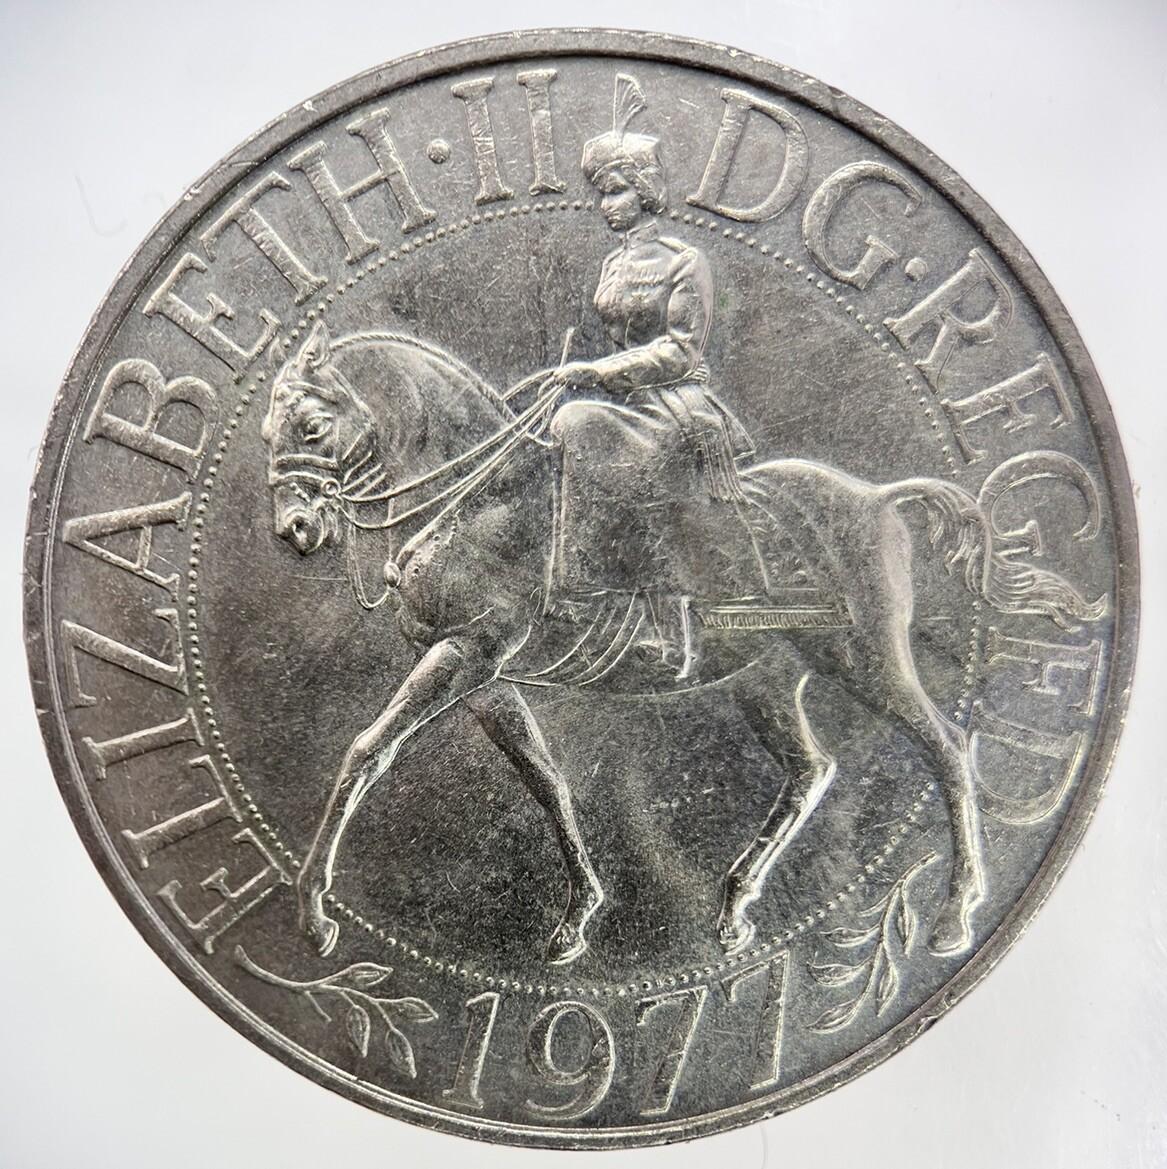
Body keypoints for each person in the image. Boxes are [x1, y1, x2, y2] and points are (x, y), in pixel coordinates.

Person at [544, 75, 757, 679]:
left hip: (675, 403)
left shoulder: (684, 261)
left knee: (578, 424)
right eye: (601, 194)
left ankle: (625, 607)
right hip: (627, 397)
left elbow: (681, 350)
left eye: (615, 192)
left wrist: (600, 371)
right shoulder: (614, 262)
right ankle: (590, 596)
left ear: (643, 192)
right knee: (558, 428)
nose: (605, 205)